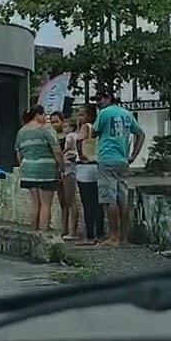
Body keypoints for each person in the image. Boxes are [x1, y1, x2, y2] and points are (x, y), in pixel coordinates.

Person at [92, 90, 144, 247]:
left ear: (108, 98)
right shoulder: (126, 113)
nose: (98, 103)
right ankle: (123, 237)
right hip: (122, 160)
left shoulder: (104, 113)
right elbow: (140, 134)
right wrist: (133, 155)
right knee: (123, 199)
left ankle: (113, 236)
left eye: (99, 99)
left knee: (110, 199)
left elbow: (94, 132)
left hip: (107, 158)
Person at [15, 105, 62, 232]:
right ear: (37, 115)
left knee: (35, 204)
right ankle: (43, 234)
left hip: (28, 170)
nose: (45, 118)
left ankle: (33, 233)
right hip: (46, 170)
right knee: (46, 204)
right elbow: (57, 151)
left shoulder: (21, 132)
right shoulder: (46, 129)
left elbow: (19, 155)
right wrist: (61, 167)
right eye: (43, 114)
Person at [74, 104, 105, 244]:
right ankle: (100, 233)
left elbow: (79, 140)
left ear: (90, 116)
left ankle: (90, 235)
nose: (79, 117)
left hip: (85, 167)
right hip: (96, 164)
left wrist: (80, 154)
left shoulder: (85, 127)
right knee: (98, 202)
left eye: (82, 114)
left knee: (87, 203)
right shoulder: (96, 128)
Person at [58, 113, 81, 241]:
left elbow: (66, 149)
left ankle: (72, 230)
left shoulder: (70, 136)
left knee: (70, 200)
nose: (64, 128)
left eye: (66, 126)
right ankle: (66, 229)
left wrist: (60, 155)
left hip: (68, 167)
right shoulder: (76, 136)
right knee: (67, 201)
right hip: (70, 167)